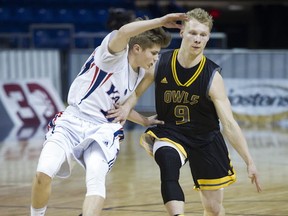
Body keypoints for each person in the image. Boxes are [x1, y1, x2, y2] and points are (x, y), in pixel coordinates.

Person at [107, 8, 262, 216]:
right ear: (182, 33)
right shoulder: (160, 62)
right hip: (171, 133)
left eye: (203, 35)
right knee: (167, 163)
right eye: (192, 33)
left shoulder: (213, 77)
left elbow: (230, 124)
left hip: (205, 139)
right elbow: (135, 93)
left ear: (208, 38)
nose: (197, 39)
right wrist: (126, 108)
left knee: (214, 209)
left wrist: (250, 161)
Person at [30, 13, 188, 216]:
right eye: (154, 53)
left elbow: (121, 106)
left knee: (96, 182)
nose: (157, 58)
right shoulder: (112, 56)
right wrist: (161, 21)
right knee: (43, 173)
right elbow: (123, 32)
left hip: (104, 128)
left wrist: (143, 120)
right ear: (137, 49)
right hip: (72, 120)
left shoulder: (140, 72)